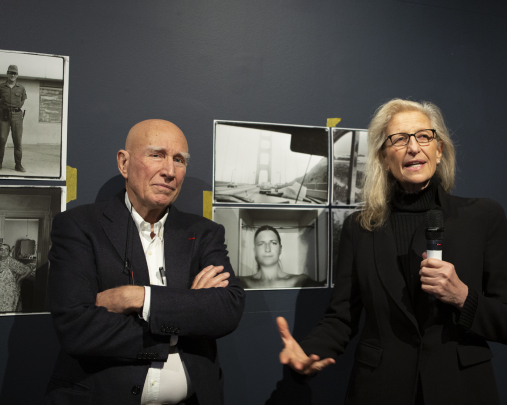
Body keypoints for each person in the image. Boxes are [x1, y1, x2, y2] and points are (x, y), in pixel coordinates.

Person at [277, 99, 507, 404]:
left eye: (424, 136)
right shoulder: (360, 227)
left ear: (440, 150)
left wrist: (462, 296)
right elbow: (341, 317)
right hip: (380, 390)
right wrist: (308, 354)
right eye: (399, 139)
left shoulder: (483, 217)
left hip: (461, 390)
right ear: (383, 157)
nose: (413, 148)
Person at [46, 120, 245, 405]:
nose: (169, 171)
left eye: (179, 160)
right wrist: (186, 315)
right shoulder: (79, 226)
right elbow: (77, 328)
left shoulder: (204, 233)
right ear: (124, 163)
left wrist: (140, 297)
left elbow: (227, 309)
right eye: (156, 155)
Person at [239, 225, 322, 289]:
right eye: (261, 244)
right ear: (255, 251)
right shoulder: (242, 282)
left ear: (280, 249)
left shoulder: (300, 281)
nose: (267, 249)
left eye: (273, 243)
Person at [0, 65, 27, 172]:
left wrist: (16, 108)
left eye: (14, 73)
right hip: (3, 116)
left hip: (17, 116)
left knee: (17, 141)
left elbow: (23, 100)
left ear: (17, 75)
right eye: (10, 73)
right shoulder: (1, 87)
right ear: (7, 74)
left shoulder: (21, 87)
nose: (12, 75)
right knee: (1, 140)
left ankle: (18, 165)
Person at [0, 243, 35, 312]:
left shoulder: (12, 262)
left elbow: (28, 270)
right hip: (1, 292)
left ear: (9, 252)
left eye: (6, 249)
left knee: (7, 313)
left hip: (9, 293)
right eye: (1, 249)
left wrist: (19, 280)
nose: (3, 251)